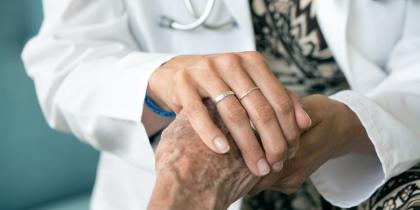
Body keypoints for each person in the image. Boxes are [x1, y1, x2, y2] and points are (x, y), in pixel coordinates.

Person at [22, 0, 420, 209]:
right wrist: (161, 78)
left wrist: (352, 124)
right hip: (164, 181)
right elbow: (64, 60)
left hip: (384, 157)